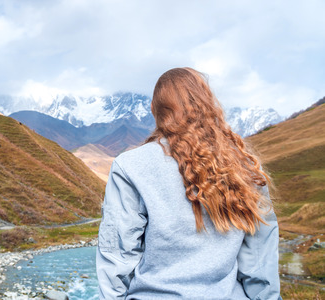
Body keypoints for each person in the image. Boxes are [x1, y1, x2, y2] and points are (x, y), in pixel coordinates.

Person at [96, 67, 281, 300]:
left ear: (154, 111)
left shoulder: (130, 166)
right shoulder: (244, 168)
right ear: (207, 104)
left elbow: (116, 256)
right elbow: (259, 263)